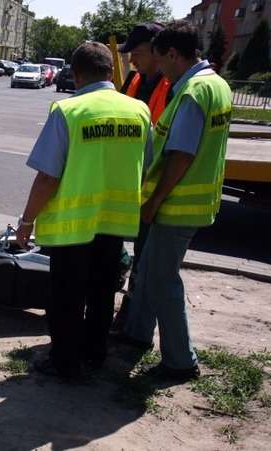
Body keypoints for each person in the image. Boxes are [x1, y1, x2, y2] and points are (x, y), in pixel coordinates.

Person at [16, 42, 153, 380]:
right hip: (115, 223)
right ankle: (95, 354)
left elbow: (48, 176)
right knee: (103, 292)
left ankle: (65, 363)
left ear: (76, 75)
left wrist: (26, 221)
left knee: (67, 297)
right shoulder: (139, 110)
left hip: (72, 228)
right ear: (111, 71)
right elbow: (146, 163)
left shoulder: (69, 110)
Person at [123, 21, 232, 381]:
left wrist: (153, 202)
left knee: (162, 281)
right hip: (195, 202)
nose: (160, 69)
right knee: (152, 273)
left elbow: (181, 156)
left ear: (172, 54)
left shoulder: (191, 93)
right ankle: (136, 335)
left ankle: (180, 361)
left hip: (176, 206)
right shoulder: (216, 85)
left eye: (159, 59)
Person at [112, 22, 172, 333]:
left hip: (154, 184)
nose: (132, 60)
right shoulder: (134, 81)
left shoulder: (172, 87)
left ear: (157, 52)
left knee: (146, 259)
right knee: (116, 244)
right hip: (129, 181)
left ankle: (131, 323)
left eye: (138, 53)